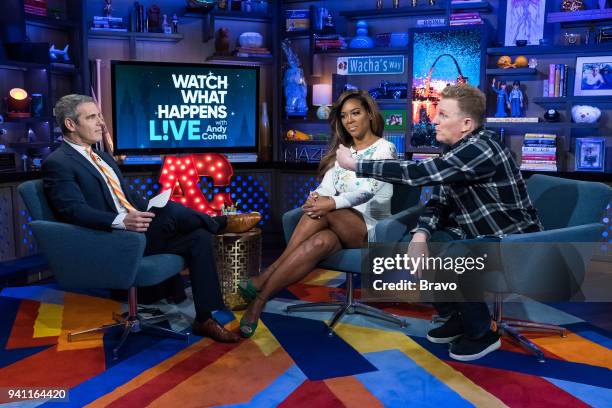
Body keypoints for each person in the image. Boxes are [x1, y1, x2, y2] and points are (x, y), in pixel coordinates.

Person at [336, 84, 543, 361]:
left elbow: (420, 172)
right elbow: (439, 201)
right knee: (423, 243)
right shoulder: (455, 151)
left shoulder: (482, 149)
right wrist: (420, 234)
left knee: (455, 253)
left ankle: (482, 332)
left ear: (466, 123)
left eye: (443, 115)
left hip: (514, 241)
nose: (434, 120)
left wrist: (356, 165)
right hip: (477, 235)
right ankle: (456, 315)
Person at [43, 94, 261, 343]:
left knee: (197, 236)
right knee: (170, 214)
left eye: (100, 116)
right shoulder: (58, 162)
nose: (101, 123)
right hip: (108, 240)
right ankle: (220, 223)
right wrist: (121, 221)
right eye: (92, 117)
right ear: (71, 124)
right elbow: (73, 211)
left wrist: (149, 205)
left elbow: (127, 195)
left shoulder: (102, 157)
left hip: (135, 232)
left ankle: (204, 318)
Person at [237, 90, 397, 338]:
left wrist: (329, 204)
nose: (349, 120)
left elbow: (367, 191)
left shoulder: (385, 149)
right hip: (338, 227)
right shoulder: (344, 151)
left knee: (326, 212)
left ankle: (267, 273)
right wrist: (316, 197)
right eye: (344, 116)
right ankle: (259, 302)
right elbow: (327, 185)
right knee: (319, 241)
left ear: (369, 115)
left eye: (355, 113)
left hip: (370, 230)